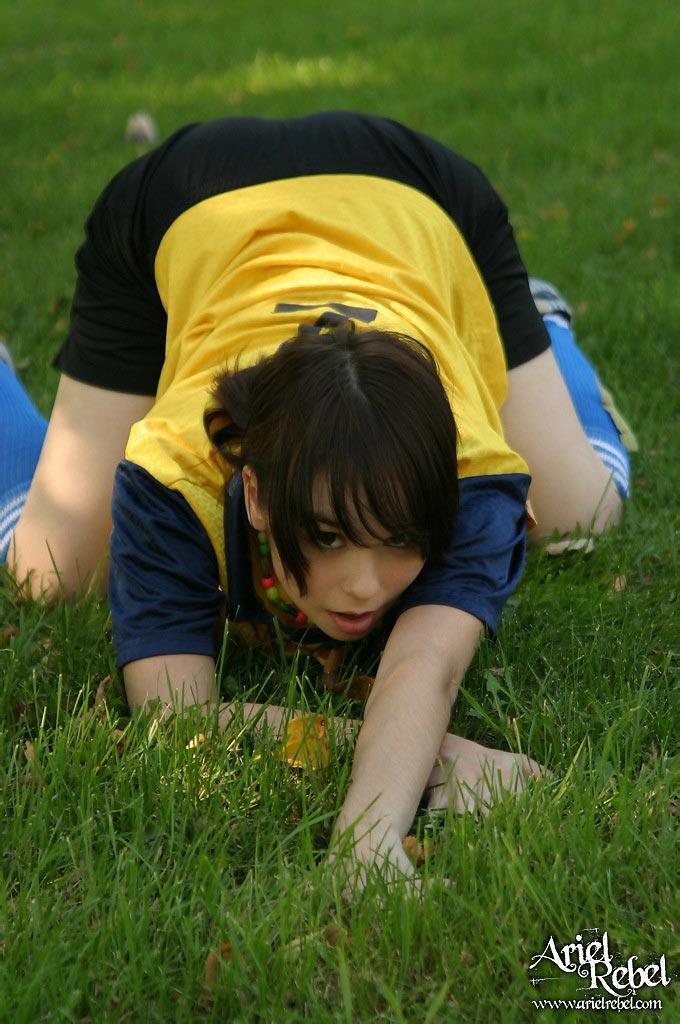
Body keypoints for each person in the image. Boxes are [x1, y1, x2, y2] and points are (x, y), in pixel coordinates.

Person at [0, 111, 636, 895]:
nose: (366, 585)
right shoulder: (173, 479)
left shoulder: (469, 479)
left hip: (420, 201)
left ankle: (545, 324)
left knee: (583, 515)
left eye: (398, 538)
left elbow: (423, 670)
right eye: (329, 536)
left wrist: (365, 844)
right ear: (258, 494)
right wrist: (445, 759)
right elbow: (176, 722)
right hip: (182, 203)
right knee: (50, 573)